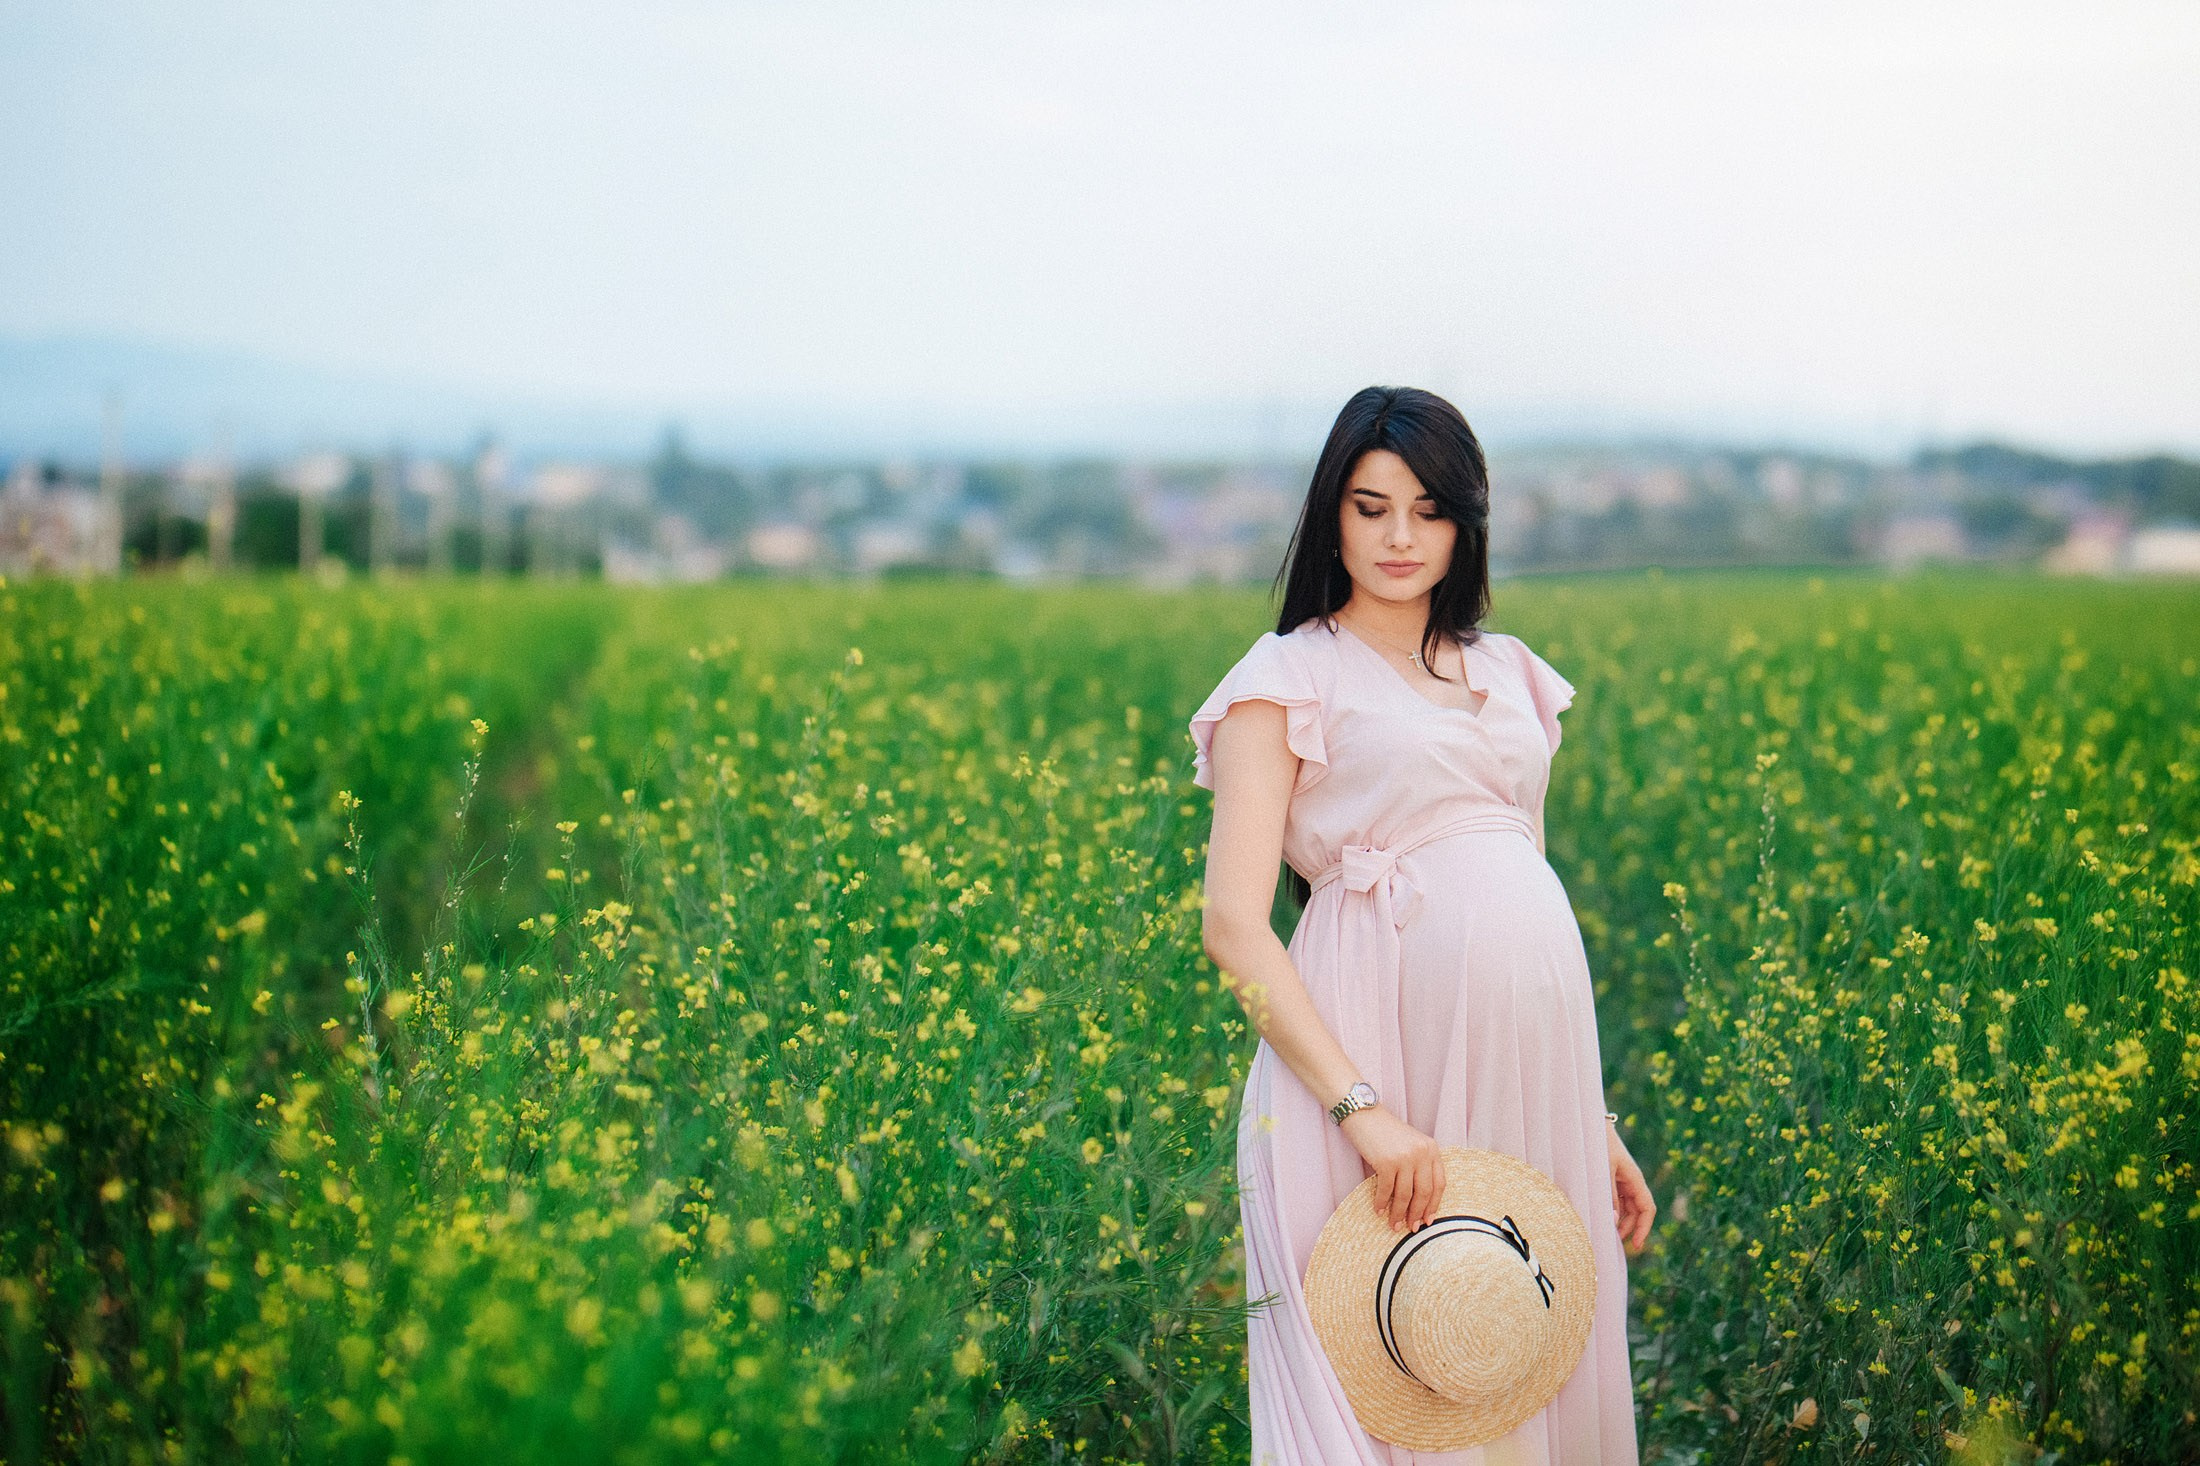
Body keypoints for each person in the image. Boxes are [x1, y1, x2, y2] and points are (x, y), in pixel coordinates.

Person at [1190, 386, 1653, 1464]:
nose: (1400, 536)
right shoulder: (1284, 678)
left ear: (1465, 524)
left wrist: (1591, 1119)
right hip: (1373, 1057)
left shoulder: (1508, 669)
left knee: (1513, 1340)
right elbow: (1232, 926)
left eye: (1430, 510)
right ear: (1331, 517)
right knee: (1398, 1356)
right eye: (1371, 507)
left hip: (1535, 1065)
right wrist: (1364, 1113)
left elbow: (1520, 861)